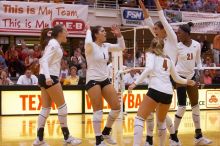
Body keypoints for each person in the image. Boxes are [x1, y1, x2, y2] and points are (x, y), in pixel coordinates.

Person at [128, 38, 195, 146]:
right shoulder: (169, 59)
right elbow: (177, 78)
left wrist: (135, 83)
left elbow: (149, 68)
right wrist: (187, 81)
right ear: (163, 47)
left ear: (153, 47)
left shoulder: (150, 54)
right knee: (161, 122)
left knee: (139, 119)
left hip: (155, 89)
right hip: (168, 93)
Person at [139, 0, 180, 145]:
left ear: (164, 30)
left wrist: (156, 2)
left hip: (168, 79)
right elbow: (148, 20)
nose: (154, 31)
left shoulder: (172, 39)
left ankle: (168, 138)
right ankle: (169, 138)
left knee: (157, 114)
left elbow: (161, 18)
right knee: (155, 113)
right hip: (156, 79)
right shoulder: (159, 41)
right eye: (154, 29)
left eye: (157, 29)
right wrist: (142, 5)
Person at [33, 24, 81, 146]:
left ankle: (39, 139)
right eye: (66, 31)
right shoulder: (54, 44)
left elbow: (44, 61)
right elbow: (43, 60)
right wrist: (48, 78)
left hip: (45, 76)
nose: (67, 33)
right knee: (62, 107)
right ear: (60, 33)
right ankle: (67, 137)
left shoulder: (53, 43)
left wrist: (42, 78)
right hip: (50, 78)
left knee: (46, 108)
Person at [85, 24, 125, 146]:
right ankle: (98, 140)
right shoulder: (90, 46)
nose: (105, 32)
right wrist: (87, 30)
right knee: (98, 109)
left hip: (104, 79)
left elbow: (121, 47)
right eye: (102, 31)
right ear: (96, 34)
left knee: (117, 106)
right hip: (92, 80)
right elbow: (87, 42)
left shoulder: (106, 46)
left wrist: (119, 35)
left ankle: (106, 132)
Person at [174, 22, 212, 145]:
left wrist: (200, 74)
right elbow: (172, 64)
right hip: (179, 78)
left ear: (186, 33)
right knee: (182, 107)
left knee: (195, 106)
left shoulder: (196, 45)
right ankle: (173, 137)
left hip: (191, 77)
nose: (178, 34)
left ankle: (198, 136)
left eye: (180, 33)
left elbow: (198, 62)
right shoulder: (177, 46)